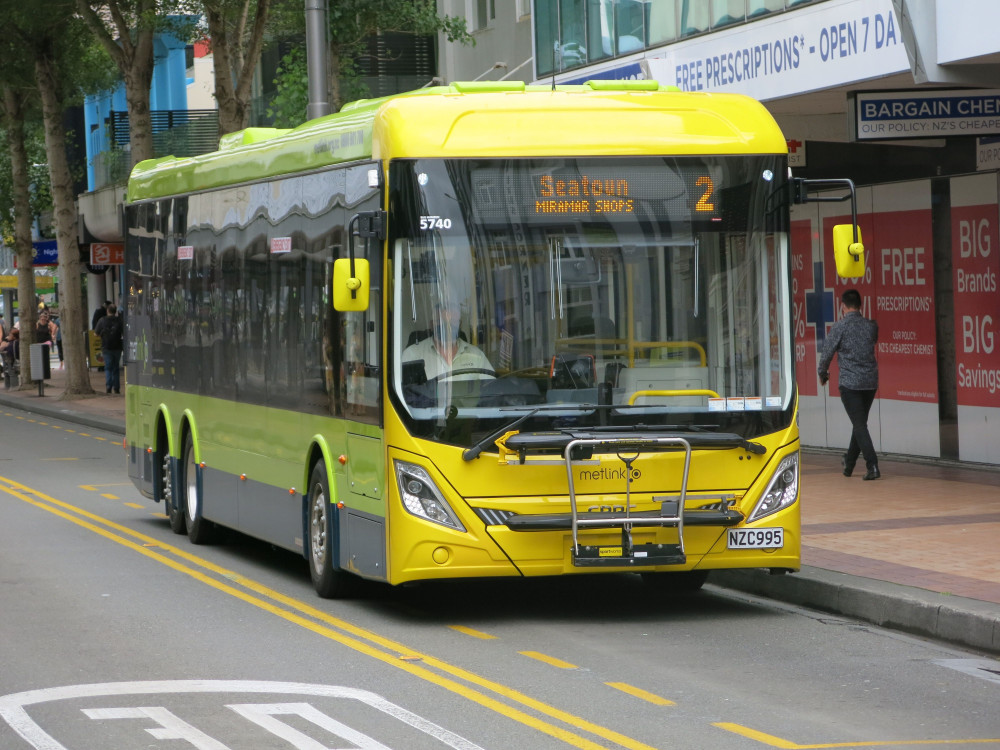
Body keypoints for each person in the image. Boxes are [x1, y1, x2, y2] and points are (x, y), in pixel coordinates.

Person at [818, 288, 880, 480]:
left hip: (850, 384)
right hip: (870, 382)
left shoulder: (840, 327)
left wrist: (823, 373)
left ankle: (872, 465)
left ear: (843, 306)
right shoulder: (871, 326)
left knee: (859, 425)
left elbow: (827, 353)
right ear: (860, 305)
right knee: (859, 423)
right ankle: (849, 463)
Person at [402, 300, 493, 381]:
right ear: (431, 324)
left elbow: (490, 388)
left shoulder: (477, 355)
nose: (447, 326)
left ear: (460, 324)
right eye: (442, 321)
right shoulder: (412, 355)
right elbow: (404, 390)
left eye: (452, 321)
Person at [95, 304, 124, 394]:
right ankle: (116, 388)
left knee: (108, 368)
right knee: (116, 367)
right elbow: (124, 332)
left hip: (106, 346)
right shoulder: (119, 320)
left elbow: (96, 333)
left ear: (107, 311)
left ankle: (108, 387)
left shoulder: (102, 320)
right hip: (117, 347)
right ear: (115, 311)